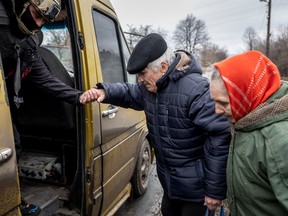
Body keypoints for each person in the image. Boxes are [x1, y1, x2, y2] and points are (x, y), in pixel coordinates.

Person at [81, 33, 231, 216]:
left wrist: (214, 190)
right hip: (170, 186)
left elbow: (219, 136)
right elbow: (130, 92)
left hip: (196, 192)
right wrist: (105, 91)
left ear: (163, 67)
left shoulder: (196, 90)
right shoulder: (150, 88)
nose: (140, 80)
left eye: (142, 73)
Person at [0, 0, 88, 215]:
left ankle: (13, 201)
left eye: (44, 21)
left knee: (14, 146)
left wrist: (81, 96)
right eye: (36, 15)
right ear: (22, 4)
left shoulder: (29, 44)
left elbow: (47, 81)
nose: (38, 24)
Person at [210, 50, 288, 216]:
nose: (216, 110)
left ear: (247, 93)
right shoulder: (247, 121)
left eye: (223, 102)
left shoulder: (280, 139)